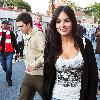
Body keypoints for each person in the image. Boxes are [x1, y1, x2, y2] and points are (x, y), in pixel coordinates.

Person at [43, 5, 98, 100]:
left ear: (73, 21)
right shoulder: (51, 46)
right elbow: (47, 75)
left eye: (66, 20)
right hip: (56, 97)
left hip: (79, 97)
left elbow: (93, 75)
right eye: (58, 21)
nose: (62, 25)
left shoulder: (85, 44)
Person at [16, 12, 45, 100]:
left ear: (28, 24)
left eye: (21, 26)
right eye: (18, 27)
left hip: (40, 75)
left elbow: (47, 54)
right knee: (23, 97)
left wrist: (34, 65)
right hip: (28, 74)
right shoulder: (27, 35)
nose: (20, 29)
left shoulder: (38, 35)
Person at [0, 21, 19, 86]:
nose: (4, 25)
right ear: (1, 24)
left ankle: (9, 80)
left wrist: (18, 51)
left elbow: (15, 42)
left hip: (9, 53)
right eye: (3, 24)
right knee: (4, 67)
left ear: (8, 25)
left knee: (9, 67)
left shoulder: (11, 33)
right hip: (1, 53)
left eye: (6, 24)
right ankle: (8, 73)